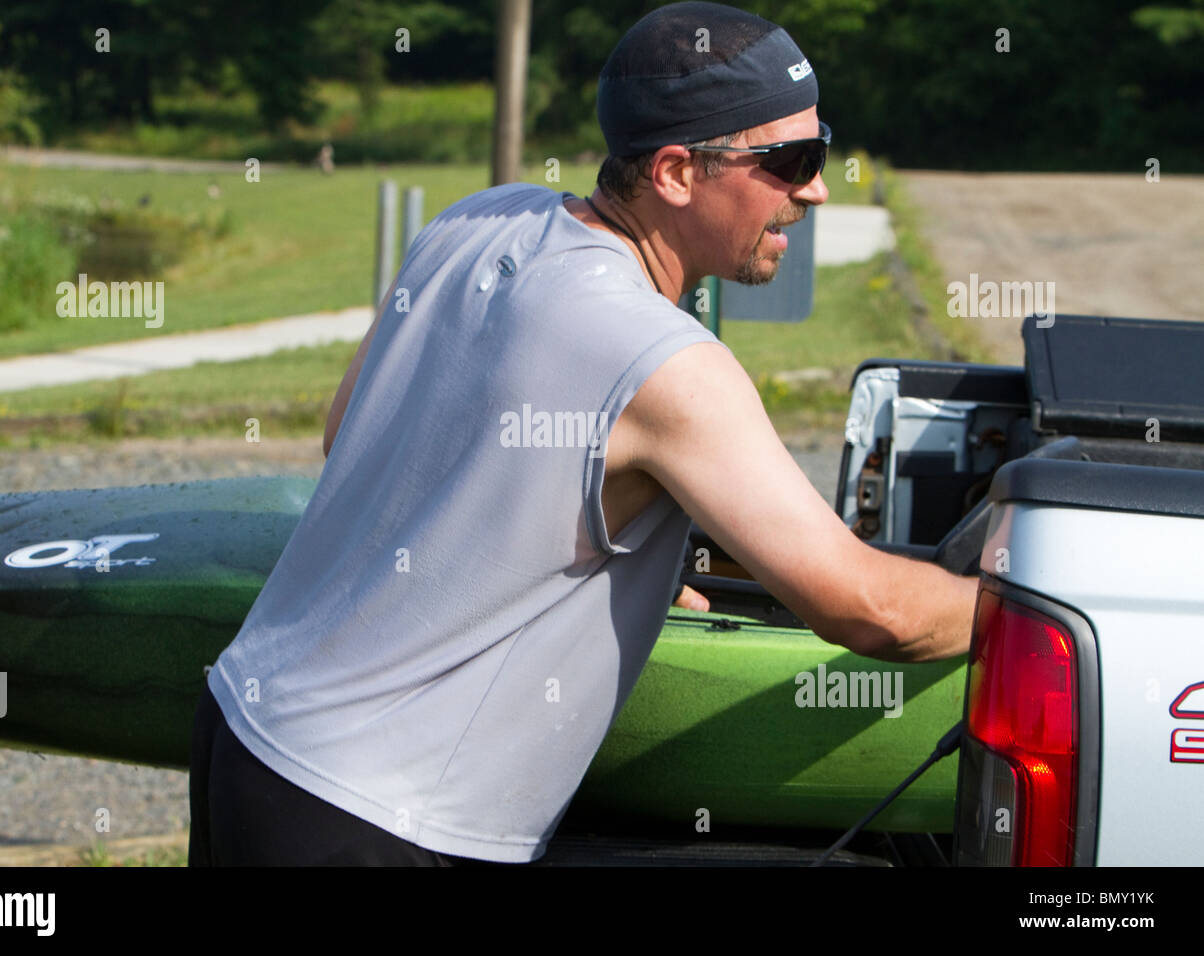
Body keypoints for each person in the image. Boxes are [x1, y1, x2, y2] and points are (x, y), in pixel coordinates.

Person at [188, 0, 976, 867]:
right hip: (379, 818)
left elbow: (355, 435)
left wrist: (599, 563)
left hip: (243, 735)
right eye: (792, 160)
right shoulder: (669, 363)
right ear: (677, 172)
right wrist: (1037, 606)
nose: (817, 188)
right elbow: (873, 612)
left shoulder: (475, 221)